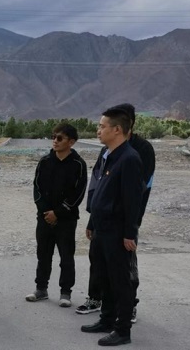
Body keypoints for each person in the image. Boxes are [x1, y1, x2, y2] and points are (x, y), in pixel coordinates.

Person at [77, 104, 155, 324]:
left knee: (122, 273)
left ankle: (124, 319)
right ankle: (104, 313)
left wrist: (131, 229)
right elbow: (97, 185)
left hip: (120, 224)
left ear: (121, 126)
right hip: (102, 222)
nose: (99, 130)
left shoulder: (136, 153)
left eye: (103, 126)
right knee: (101, 268)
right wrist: (92, 219)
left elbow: (136, 193)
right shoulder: (108, 151)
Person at [25, 123, 87, 307]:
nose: (55, 141)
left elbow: (78, 193)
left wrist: (58, 213)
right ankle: (41, 289)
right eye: (53, 137)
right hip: (44, 218)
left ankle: (65, 292)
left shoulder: (78, 164)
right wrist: (46, 212)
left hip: (66, 219)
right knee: (43, 255)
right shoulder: (44, 161)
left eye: (59, 138)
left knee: (66, 257)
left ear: (71, 142)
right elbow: (37, 188)